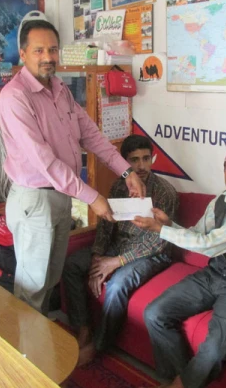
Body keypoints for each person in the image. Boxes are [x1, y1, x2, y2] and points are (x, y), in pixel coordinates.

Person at [0, 20, 146, 315]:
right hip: (34, 200)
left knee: (50, 280)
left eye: (53, 50)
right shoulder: (15, 98)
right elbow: (45, 162)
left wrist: (127, 172)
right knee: (31, 288)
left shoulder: (59, 89)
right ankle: (27, 344)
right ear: (23, 54)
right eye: (39, 50)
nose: (48, 57)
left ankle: (42, 337)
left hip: (61, 196)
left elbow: (91, 135)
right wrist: (93, 197)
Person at [133, 136, 226, 388]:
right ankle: (180, 380)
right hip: (215, 274)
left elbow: (210, 245)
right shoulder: (222, 200)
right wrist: (168, 224)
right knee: (155, 313)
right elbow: (198, 234)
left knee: (217, 347)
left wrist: (161, 230)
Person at [63, 135, 179, 366]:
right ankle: (83, 327)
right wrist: (97, 257)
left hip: (152, 253)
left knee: (117, 285)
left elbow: (159, 241)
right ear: (125, 163)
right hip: (119, 245)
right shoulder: (118, 186)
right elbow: (106, 227)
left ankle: (98, 345)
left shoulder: (165, 192)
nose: (141, 166)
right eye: (134, 160)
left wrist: (116, 262)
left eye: (146, 158)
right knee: (73, 264)